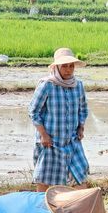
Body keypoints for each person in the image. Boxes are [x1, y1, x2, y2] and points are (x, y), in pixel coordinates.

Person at [29, 48, 89, 192]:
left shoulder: (78, 85)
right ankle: (41, 211)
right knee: (45, 179)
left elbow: (83, 109)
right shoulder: (47, 85)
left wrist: (81, 127)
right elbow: (34, 111)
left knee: (80, 175)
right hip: (51, 142)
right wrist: (43, 135)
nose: (69, 70)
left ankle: (81, 210)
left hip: (72, 141)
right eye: (64, 66)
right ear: (56, 67)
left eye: (71, 66)